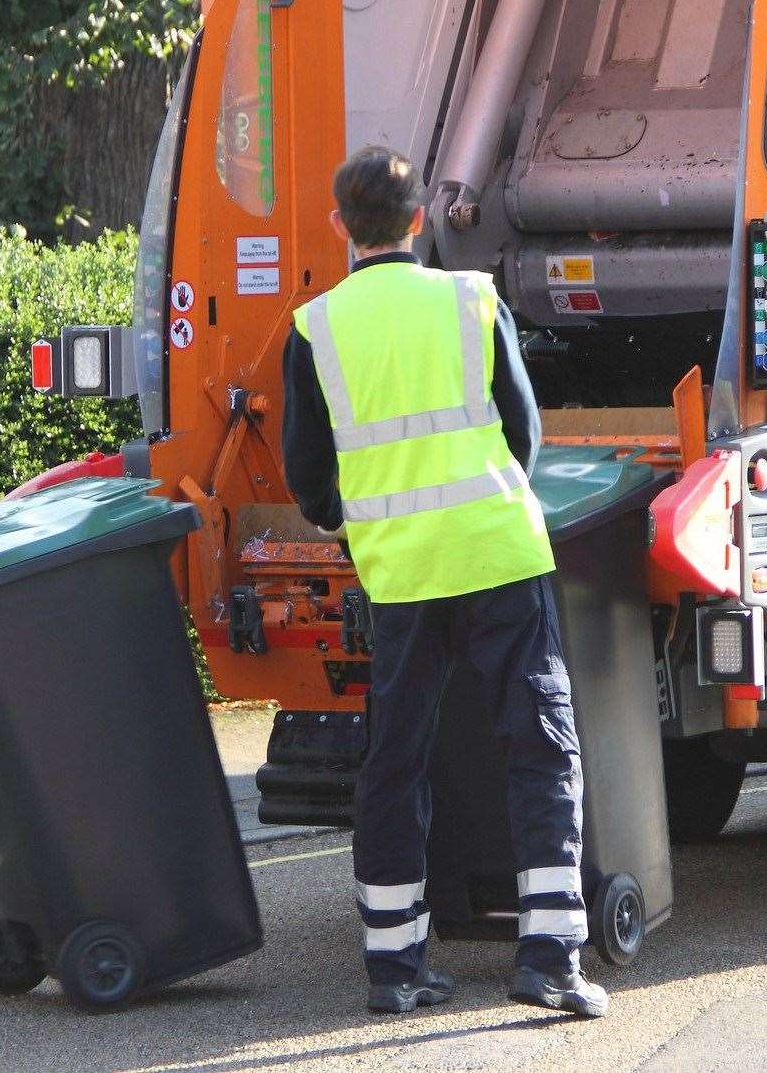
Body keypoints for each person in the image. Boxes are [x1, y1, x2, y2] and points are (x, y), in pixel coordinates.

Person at [282, 146, 608, 1019]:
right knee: (541, 746)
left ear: (339, 227)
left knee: (396, 758)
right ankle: (549, 958)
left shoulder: (314, 327)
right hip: (498, 554)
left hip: (399, 572)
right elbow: (524, 433)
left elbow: (309, 477)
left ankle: (394, 966)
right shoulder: (470, 299)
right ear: (420, 219)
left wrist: (357, 521)